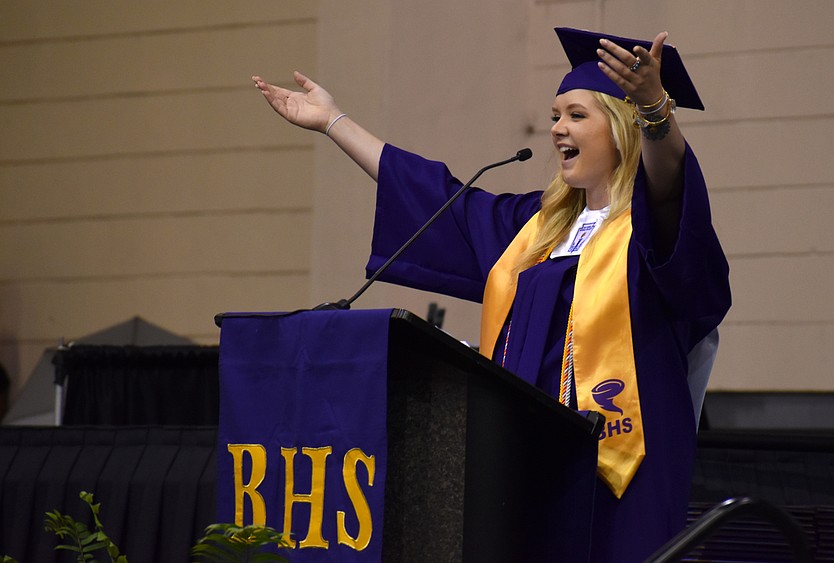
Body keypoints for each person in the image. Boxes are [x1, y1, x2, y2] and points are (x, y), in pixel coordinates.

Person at [253, 27, 731, 562]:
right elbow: (439, 199)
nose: (556, 129)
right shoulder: (532, 231)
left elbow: (669, 188)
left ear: (621, 128)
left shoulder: (650, 234)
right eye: (554, 116)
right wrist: (334, 123)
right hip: (524, 467)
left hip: (622, 470)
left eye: (576, 115)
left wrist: (656, 110)